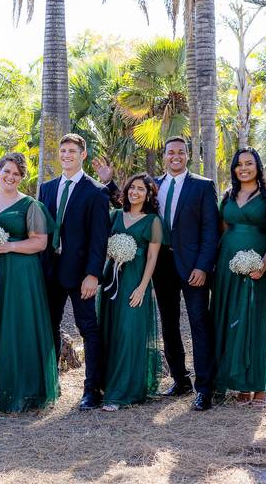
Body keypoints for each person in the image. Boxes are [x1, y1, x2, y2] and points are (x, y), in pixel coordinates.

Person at [98, 138, 219, 411]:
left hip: (192, 268)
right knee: (169, 325)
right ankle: (180, 379)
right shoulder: (155, 185)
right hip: (161, 267)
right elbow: (131, 203)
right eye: (170, 152)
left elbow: (211, 231)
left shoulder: (203, 185)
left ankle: (204, 388)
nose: (175, 156)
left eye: (180, 152)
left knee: (199, 324)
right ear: (164, 156)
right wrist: (109, 183)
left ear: (188, 155)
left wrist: (202, 266)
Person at [0, 153, 58, 412]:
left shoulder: (30, 205)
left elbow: (39, 242)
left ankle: (22, 387)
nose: (10, 177)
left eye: (16, 174)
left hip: (19, 273)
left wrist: (8, 246)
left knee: (17, 325)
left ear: (22, 177)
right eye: (7, 171)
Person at [38, 133, 110, 410]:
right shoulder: (46, 188)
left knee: (88, 329)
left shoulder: (96, 191)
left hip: (81, 274)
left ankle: (92, 390)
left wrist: (93, 274)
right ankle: (49, 384)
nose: (66, 155)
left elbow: (99, 238)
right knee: (49, 327)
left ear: (83, 156)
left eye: (72, 151)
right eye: (63, 150)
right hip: (50, 272)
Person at [211, 148, 266, 407]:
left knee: (255, 320)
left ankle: (260, 387)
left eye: (249, 163)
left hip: (258, 266)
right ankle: (240, 385)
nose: (243, 168)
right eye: (239, 164)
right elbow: (223, 230)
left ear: (258, 167)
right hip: (227, 265)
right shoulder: (228, 196)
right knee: (231, 318)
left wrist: (263, 265)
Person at [98, 173, 163, 410]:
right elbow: (103, 247)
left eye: (141, 189)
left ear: (148, 195)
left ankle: (120, 393)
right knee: (110, 330)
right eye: (132, 188)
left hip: (135, 280)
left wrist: (143, 287)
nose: (135, 192)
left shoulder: (153, 221)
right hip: (111, 280)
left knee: (128, 332)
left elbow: (153, 256)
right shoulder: (115, 215)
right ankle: (106, 384)